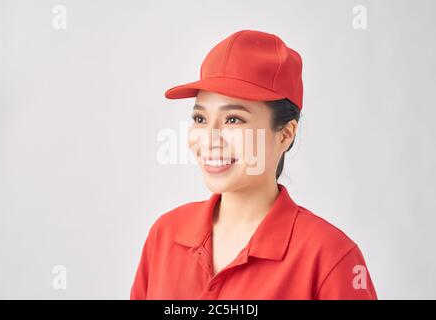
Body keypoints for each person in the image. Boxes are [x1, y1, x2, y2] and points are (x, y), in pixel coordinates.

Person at [130, 29, 377, 299]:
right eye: (200, 119)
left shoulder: (330, 257)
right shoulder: (165, 235)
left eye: (233, 119)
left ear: (285, 134)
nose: (210, 138)